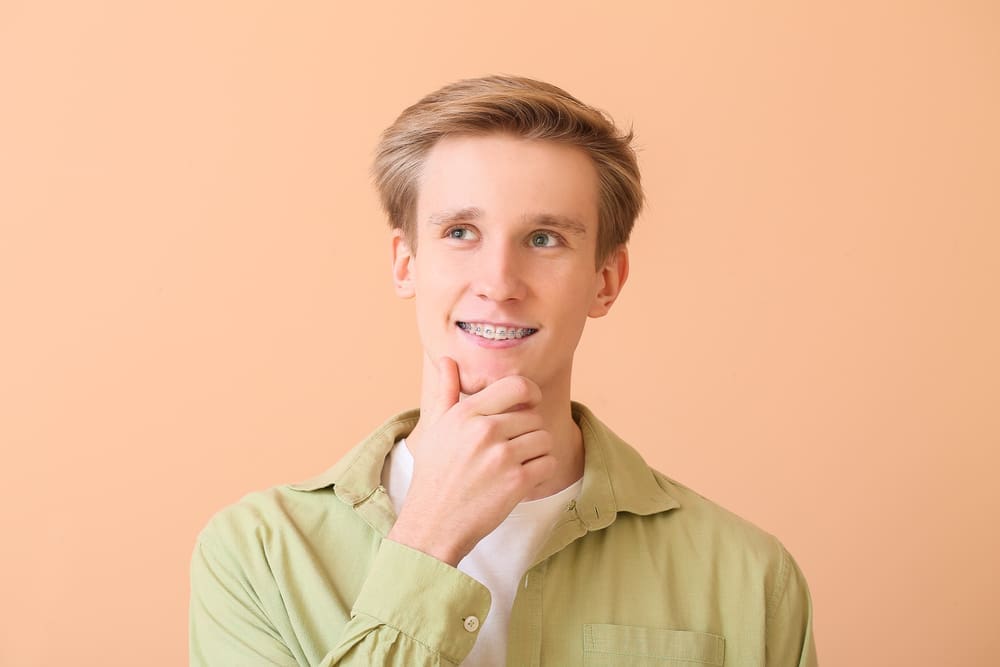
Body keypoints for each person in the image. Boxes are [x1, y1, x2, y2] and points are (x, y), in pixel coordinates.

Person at [189, 75, 818, 666]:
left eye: (545, 239)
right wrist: (429, 540)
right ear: (406, 264)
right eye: (461, 232)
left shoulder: (749, 574)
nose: (499, 284)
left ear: (605, 281)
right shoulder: (258, 554)